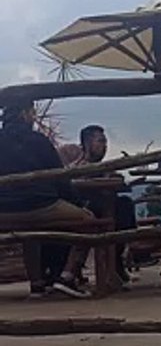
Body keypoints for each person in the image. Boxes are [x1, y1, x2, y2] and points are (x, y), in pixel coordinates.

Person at [0, 99, 94, 298]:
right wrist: (79, 204)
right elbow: (61, 179)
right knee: (89, 221)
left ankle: (37, 284)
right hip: (40, 205)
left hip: (3, 211)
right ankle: (67, 276)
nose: (34, 117)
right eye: (32, 112)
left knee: (29, 233)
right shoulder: (39, 141)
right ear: (25, 114)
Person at [70, 125, 136, 286]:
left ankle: (118, 257)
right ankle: (114, 262)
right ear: (87, 144)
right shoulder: (77, 167)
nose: (104, 146)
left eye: (105, 142)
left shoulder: (103, 168)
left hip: (105, 208)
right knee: (120, 207)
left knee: (124, 204)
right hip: (84, 210)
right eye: (100, 141)